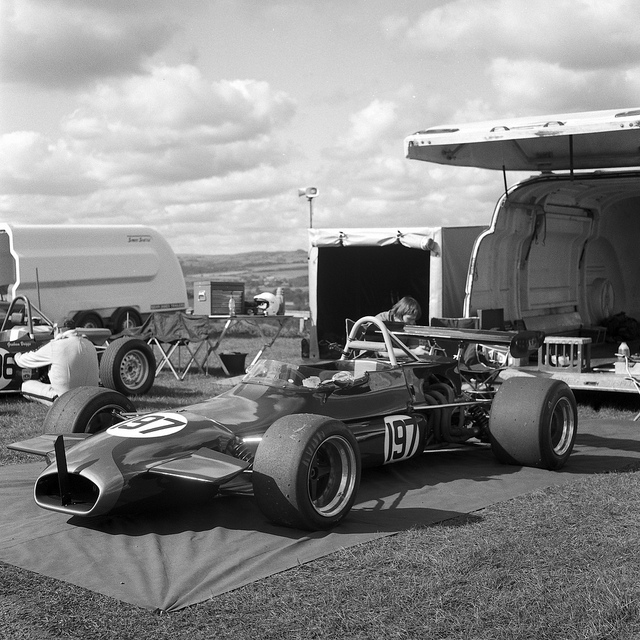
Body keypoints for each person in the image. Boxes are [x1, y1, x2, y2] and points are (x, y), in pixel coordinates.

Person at [14, 319, 100, 405]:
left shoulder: (56, 345)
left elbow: (23, 361)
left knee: (25, 385)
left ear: (58, 330)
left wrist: (16, 355)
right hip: (91, 396)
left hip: (66, 399)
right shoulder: (90, 344)